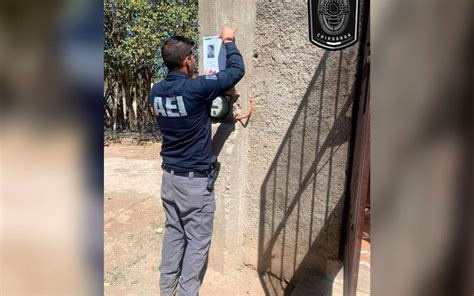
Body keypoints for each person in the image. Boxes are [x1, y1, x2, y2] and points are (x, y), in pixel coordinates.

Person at [149, 26, 245, 296]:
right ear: (188, 61)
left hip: (169, 178)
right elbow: (236, 71)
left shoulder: (155, 93)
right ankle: (188, 292)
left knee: (173, 232)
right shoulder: (198, 88)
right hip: (194, 185)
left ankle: (166, 288)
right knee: (198, 240)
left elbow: (187, 113)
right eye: (194, 57)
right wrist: (228, 41)